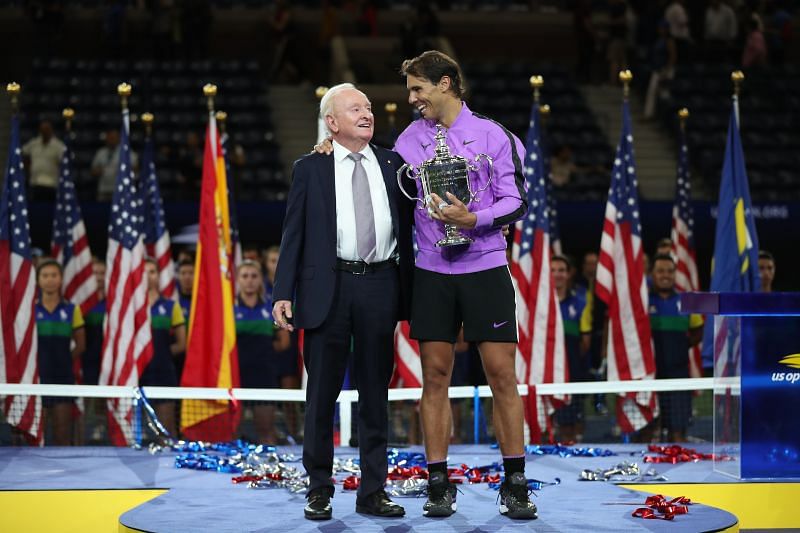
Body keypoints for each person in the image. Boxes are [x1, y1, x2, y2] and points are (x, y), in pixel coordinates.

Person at [393, 50, 536, 520]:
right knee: (434, 377)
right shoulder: (408, 141)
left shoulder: (495, 135)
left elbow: (516, 203)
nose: (412, 99)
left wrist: (473, 218)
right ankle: (438, 483)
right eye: (410, 90)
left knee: (501, 376)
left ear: (447, 83)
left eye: (419, 89)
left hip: (485, 268)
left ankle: (514, 483)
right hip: (432, 272)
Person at [272, 83, 413, 520]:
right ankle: (319, 488)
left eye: (368, 107)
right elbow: (292, 233)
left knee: (375, 394)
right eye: (355, 108)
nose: (367, 113)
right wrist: (282, 292)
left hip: (380, 285)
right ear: (331, 122)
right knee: (321, 396)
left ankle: (373, 491)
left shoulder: (395, 164)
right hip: (326, 289)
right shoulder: (310, 168)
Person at [235, 260, 290, 444]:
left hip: (264, 376)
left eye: (254, 276)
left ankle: (271, 468)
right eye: (245, 276)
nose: (249, 280)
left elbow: (284, 342)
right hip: (236, 378)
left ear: (260, 279)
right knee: (233, 433)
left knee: (266, 432)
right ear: (238, 279)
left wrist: (261, 350)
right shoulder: (229, 309)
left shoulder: (271, 308)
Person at [649, 254, 703, 442]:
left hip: (678, 377)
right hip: (650, 377)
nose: (666, 275)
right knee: (647, 431)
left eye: (670, 271)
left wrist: (680, 347)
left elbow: (698, 331)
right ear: (652, 274)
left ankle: (677, 471)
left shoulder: (687, 301)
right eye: (660, 271)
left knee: (678, 433)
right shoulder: (642, 301)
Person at [35, 259, 85, 445]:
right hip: (36, 381)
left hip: (63, 379)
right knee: (33, 436)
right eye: (45, 275)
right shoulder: (30, 310)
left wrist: (63, 360)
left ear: (61, 279)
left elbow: (81, 345)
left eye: (54, 275)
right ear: (38, 280)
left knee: (62, 435)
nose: (50, 280)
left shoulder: (72, 310)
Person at [139, 258, 186, 437]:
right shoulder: (132, 309)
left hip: (164, 374)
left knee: (166, 431)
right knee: (139, 432)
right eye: (144, 272)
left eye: (152, 272)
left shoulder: (170, 306)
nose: (148, 276)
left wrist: (161, 354)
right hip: (139, 375)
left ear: (159, 276)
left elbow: (182, 344)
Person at [551, 255, 592, 443]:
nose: (557, 274)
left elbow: (585, 343)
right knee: (546, 424)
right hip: (547, 374)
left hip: (572, 373)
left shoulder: (580, 303)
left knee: (569, 427)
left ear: (568, 274)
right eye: (553, 270)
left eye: (561, 270)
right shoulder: (539, 307)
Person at [22, 120, 65, 202]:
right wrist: (27, 167)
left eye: (46, 129)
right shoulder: (33, 143)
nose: (44, 132)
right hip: (35, 183)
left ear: (51, 130)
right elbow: (23, 152)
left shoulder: (59, 146)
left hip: (52, 185)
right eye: (42, 130)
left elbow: (64, 162)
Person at [92, 129, 138, 202]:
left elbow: (135, 169)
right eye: (109, 138)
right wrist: (101, 171)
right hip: (104, 190)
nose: (111, 140)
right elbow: (93, 171)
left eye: (113, 138)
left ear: (119, 138)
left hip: (121, 190)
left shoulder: (127, 152)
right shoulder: (100, 152)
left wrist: (122, 171)